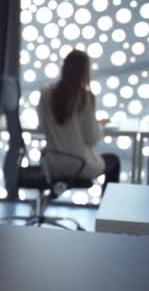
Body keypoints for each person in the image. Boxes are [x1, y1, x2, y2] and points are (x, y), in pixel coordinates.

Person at [37, 49, 120, 194]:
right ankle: (106, 211)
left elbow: (43, 126)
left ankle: (52, 195)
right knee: (114, 161)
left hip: (51, 164)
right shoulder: (85, 97)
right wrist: (98, 125)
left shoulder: (45, 93)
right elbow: (91, 138)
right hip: (79, 164)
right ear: (85, 72)